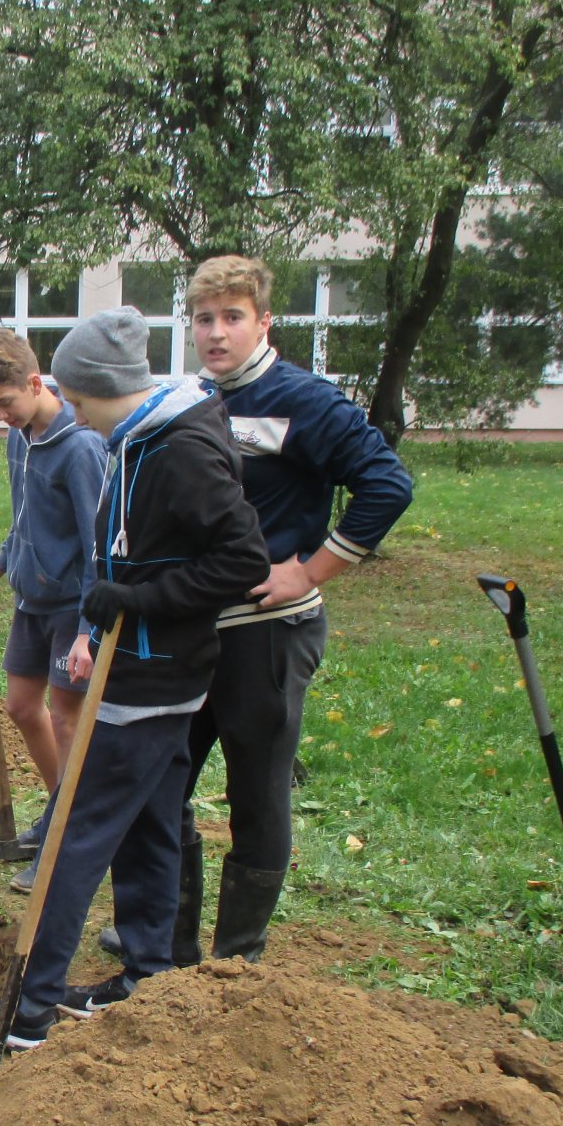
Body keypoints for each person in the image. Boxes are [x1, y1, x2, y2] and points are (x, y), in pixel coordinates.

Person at [0, 308, 268, 1050]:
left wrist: (133, 603)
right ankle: (145, 977)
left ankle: (27, 1011)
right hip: (158, 668)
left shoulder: (179, 448)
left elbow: (243, 563)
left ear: (102, 388)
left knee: (76, 834)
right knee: (152, 828)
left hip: (152, 675)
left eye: (80, 397)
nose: (76, 411)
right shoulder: (141, 438)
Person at [122, 255, 414, 968]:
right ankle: (172, 948)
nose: (216, 333)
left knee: (258, 796)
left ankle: (237, 960)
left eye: (232, 317)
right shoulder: (187, 401)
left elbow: (387, 484)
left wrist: (311, 570)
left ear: (263, 321)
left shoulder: (308, 401)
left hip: (266, 635)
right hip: (190, 632)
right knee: (164, 786)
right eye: (203, 319)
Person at [0, 330, 110, 889]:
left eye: (5, 403)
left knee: (67, 719)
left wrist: (89, 632)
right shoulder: (20, 437)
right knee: (22, 707)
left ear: (36, 382)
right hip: (32, 599)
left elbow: (98, 544)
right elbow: (24, 518)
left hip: (73, 606)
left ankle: (69, 841)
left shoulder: (82, 446)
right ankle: (59, 813)